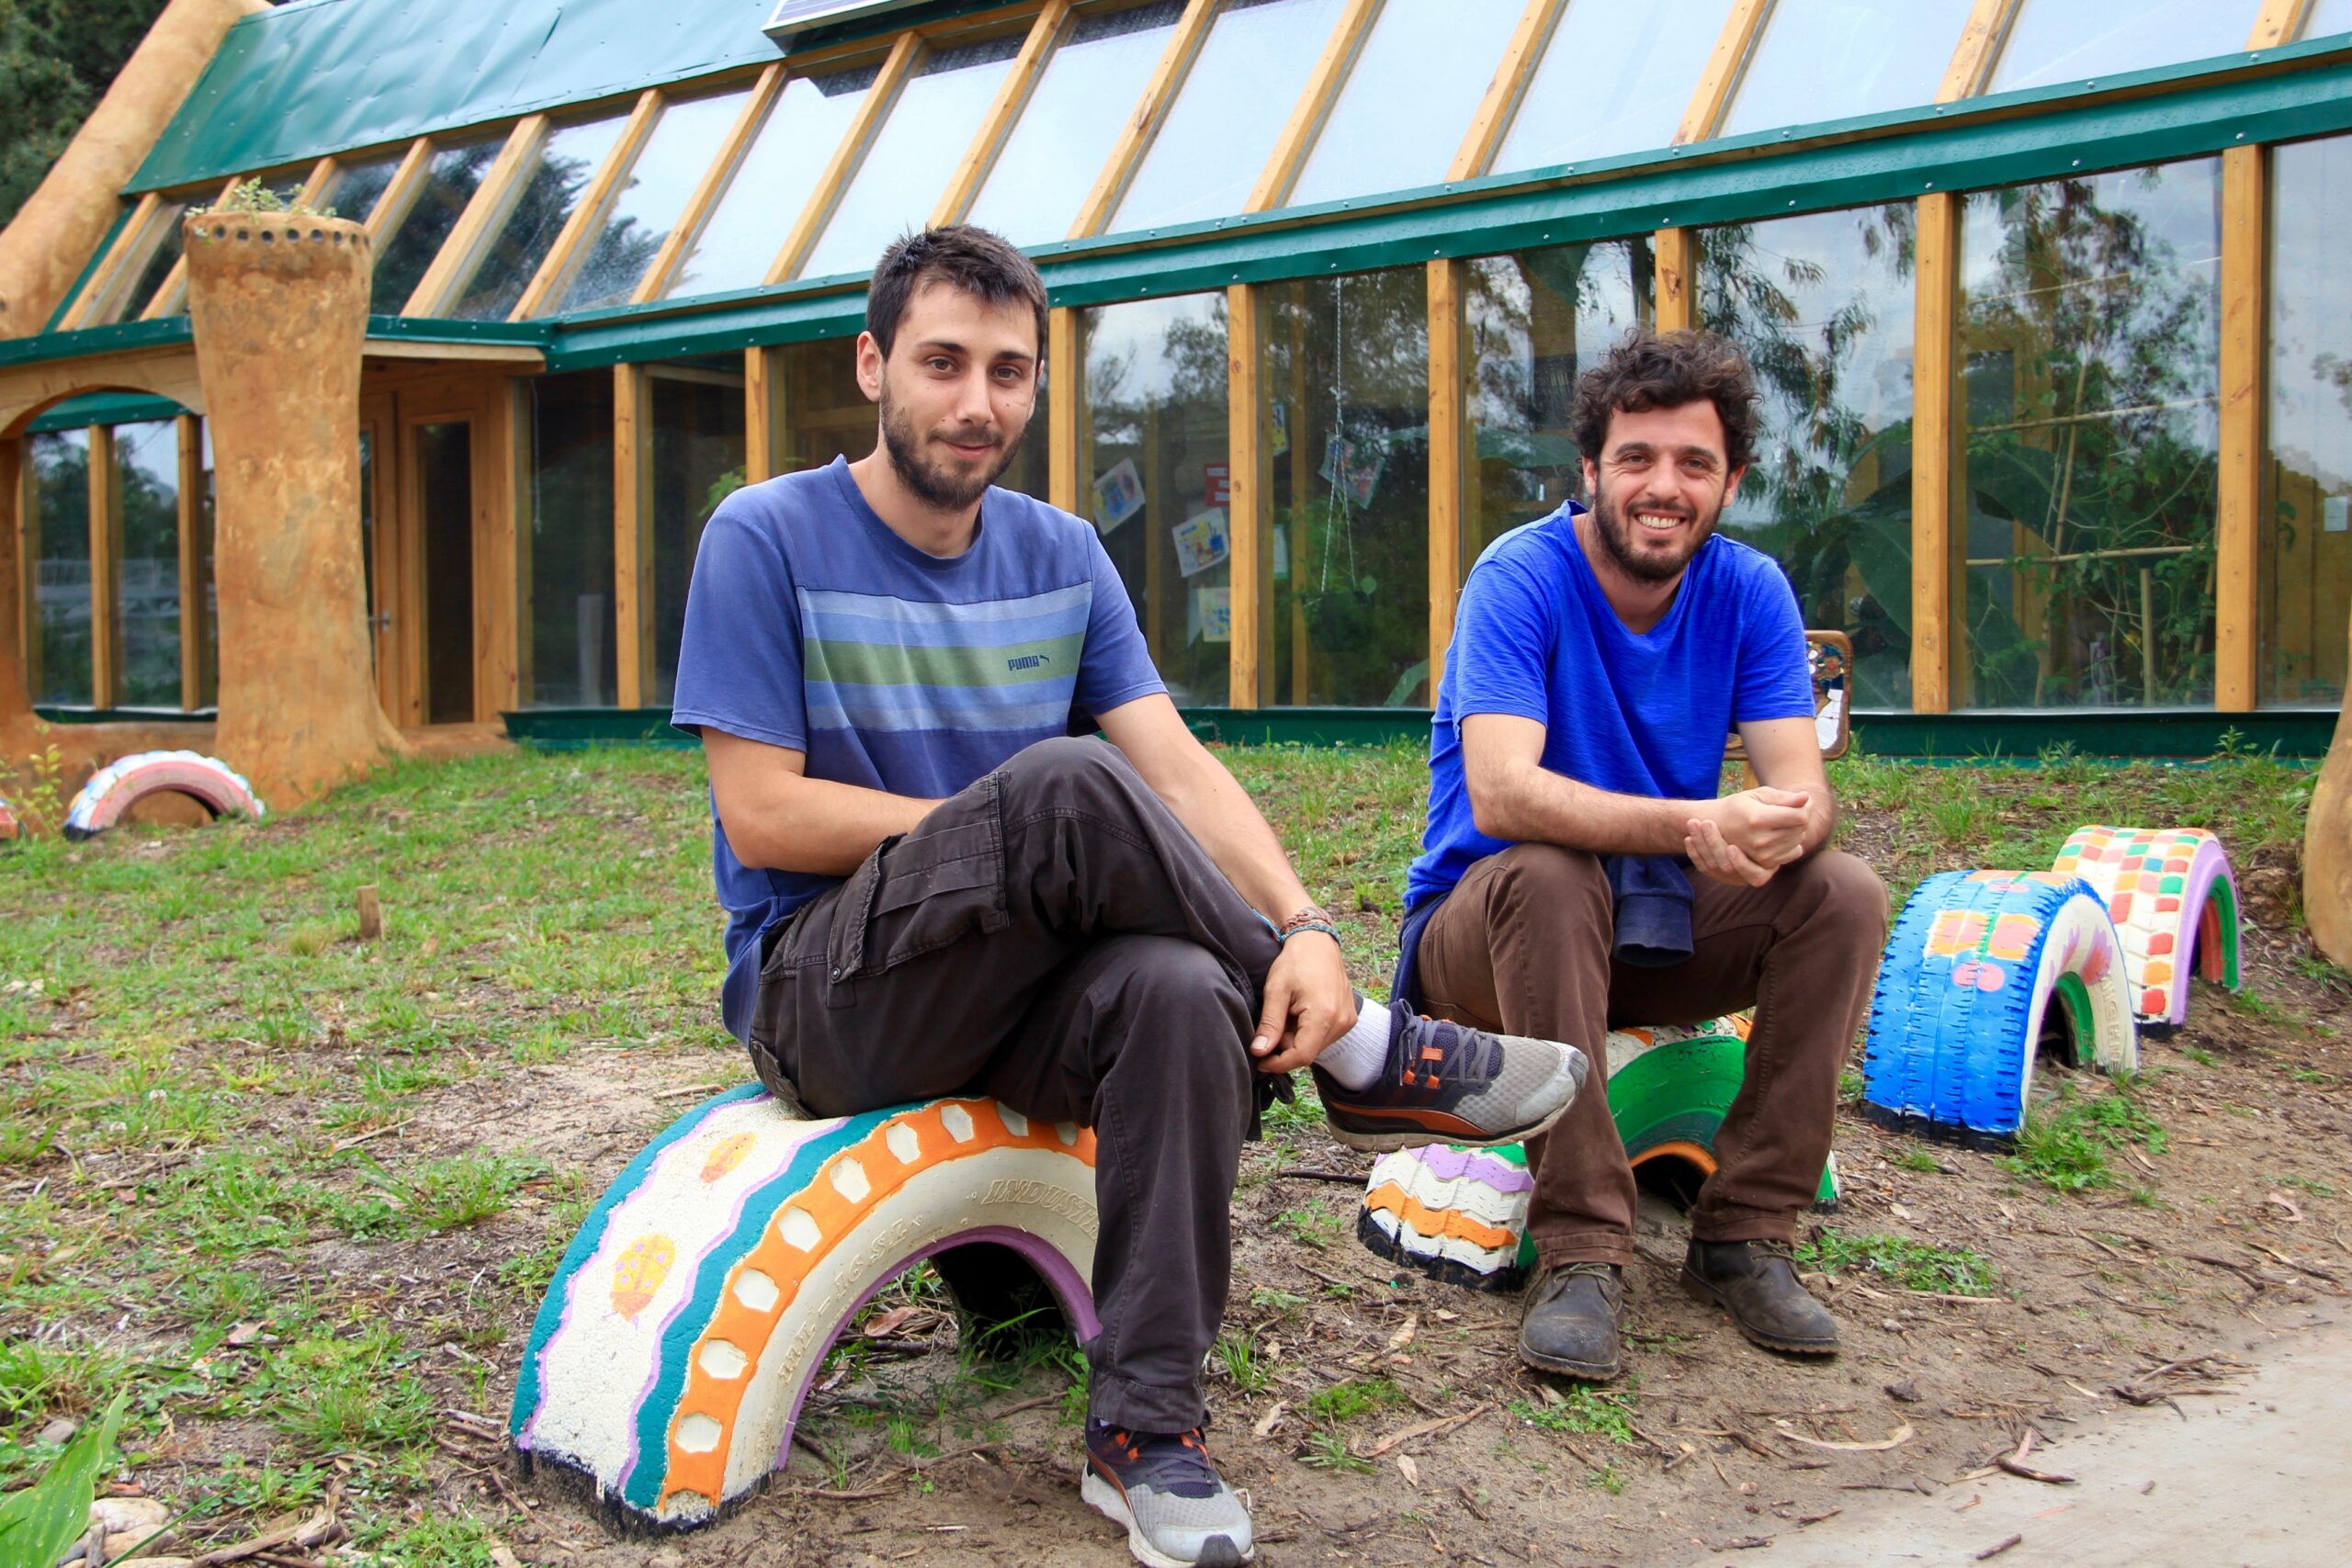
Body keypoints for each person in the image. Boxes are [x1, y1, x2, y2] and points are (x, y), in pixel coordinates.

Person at [670, 225, 1587, 1568]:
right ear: (872, 365)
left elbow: (1180, 768)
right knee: (1062, 787)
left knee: (1172, 984)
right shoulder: (765, 536)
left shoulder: (1063, 551)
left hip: (1018, 987)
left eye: (1008, 371)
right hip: (830, 990)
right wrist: (1003, 835)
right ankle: (1372, 1054)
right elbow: (761, 810)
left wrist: (1313, 930)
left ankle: (1147, 1429)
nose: (976, 402)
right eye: (940, 363)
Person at [1398, 329, 1888, 1382]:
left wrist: (1780, 827)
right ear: (1590, 470)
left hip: (1647, 929)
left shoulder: (1750, 591)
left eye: (1694, 464)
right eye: (1636, 458)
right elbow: (1502, 790)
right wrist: (1690, 826)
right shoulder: (1518, 577)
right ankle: (1581, 1250)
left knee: (1840, 895)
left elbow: (1808, 796)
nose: (1663, 486)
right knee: (1549, 867)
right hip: (1482, 943)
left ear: (1730, 481)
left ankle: (1742, 1233)